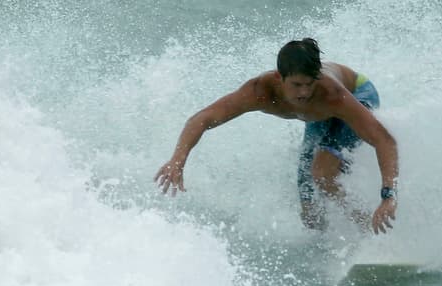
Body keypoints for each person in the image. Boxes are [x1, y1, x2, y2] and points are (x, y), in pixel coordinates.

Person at [154, 38, 399, 234]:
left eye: (309, 84)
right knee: (309, 211)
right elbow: (203, 118)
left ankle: (370, 228)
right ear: (279, 78)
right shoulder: (259, 91)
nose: (304, 92)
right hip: (318, 117)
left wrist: (388, 195)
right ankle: (331, 243)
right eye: (296, 85)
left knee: (322, 174)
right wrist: (178, 159)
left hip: (359, 94)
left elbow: (384, 141)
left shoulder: (331, 95)